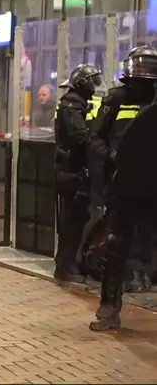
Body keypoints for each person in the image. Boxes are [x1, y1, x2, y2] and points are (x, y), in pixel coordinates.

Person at [88, 46, 157, 331]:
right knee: (116, 244)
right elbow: (95, 138)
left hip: (153, 183)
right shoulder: (115, 98)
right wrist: (113, 157)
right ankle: (108, 306)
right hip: (123, 183)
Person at [53, 64, 104, 284]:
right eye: (92, 81)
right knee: (72, 220)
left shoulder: (76, 104)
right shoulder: (72, 105)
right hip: (72, 171)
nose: (95, 86)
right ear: (83, 83)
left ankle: (68, 263)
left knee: (76, 218)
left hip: (73, 170)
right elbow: (78, 138)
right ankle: (65, 266)